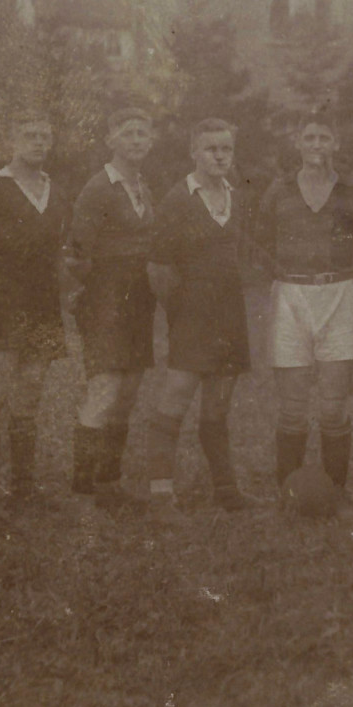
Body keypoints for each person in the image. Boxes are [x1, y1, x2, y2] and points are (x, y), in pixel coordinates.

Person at [254, 110, 353, 511]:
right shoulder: (279, 191)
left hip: (338, 294)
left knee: (332, 406)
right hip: (291, 295)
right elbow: (260, 241)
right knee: (292, 407)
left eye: (324, 138)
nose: (317, 145)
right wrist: (284, 275)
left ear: (335, 144)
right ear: (298, 143)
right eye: (310, 138)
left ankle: (337, 494)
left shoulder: (352, 193)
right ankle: (286, 494)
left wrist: (341, 273)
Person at [0, 112, 71, 502]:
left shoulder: (54, 190)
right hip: (5, 302)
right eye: (30, 135)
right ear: (12, 140)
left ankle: (23, 486)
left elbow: (58, 253)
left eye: (45, 136)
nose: (39, 143)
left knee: (32, 388)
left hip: (42, 304)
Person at [145, 118, 252, 513]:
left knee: (218, 405)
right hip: (192, 314)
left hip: (230, 314)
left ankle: (226, 490)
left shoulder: (236, 195)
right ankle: (160, 492)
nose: (220, 156)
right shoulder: (178, 199)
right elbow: (157, 268)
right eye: (211, 148)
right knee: (176, 395)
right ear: (194, 153)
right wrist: (181, 311)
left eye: (226, 148)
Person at [68, 108, 157, 506]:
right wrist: (89, 294)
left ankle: (109, 481)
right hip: (105, 295)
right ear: (111, 140)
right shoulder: (98, 187)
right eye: (128, 133)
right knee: (105, 388)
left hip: (139, 297)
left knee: (129, 392)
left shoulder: (143, 186)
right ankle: (83, 488)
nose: (136, 140)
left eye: (143, 133)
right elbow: (77, 252)